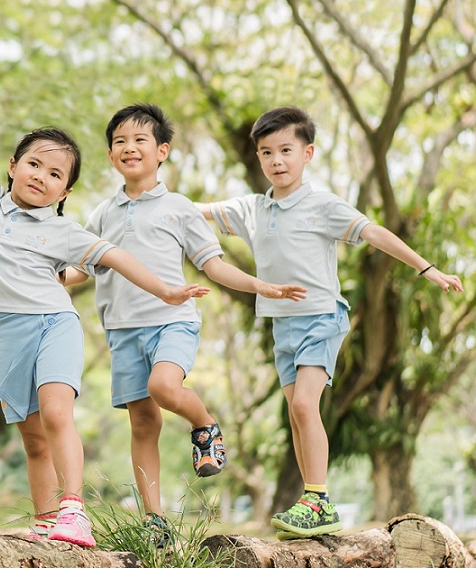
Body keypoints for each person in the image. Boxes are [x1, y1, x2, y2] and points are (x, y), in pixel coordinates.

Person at [0, 60, 211, 548]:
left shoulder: (63, 230)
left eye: (54, 174)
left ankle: (74, 510)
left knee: (55, 413)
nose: (40, 176)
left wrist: (167, 291)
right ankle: (48, 523)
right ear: (13, 166)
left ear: (64, 191)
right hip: (8, 333)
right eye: (34, 164)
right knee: (32, 437)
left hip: (54, 325)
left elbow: (117, 257)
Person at [196, 105, 464, 538]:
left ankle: (318, 499)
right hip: (281, 324)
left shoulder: (321, 204)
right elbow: (198, 211)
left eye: (286, 150)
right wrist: (154, 199)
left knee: (306, 405)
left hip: (321, 317)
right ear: (258, 157)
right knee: (296, 414)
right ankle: (311, 502)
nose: (277, 160)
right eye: (267, 152)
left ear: (308, 153)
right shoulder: (252, 208)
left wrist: (427, 269)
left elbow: (374, 233)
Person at [61, 104, 307, 547]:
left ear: (162, 151)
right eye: (119, 142)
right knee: (143, 423)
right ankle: (155, 521)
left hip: (171, 321)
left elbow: (213, 265)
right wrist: (48, 279)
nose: (129, 148)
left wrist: (259, 285)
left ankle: (204, 422)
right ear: (111, 155)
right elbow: (82, 269)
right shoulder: (101, 214)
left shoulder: (179, 208)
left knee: (163, 387)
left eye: (140, 140)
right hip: (121, 329)